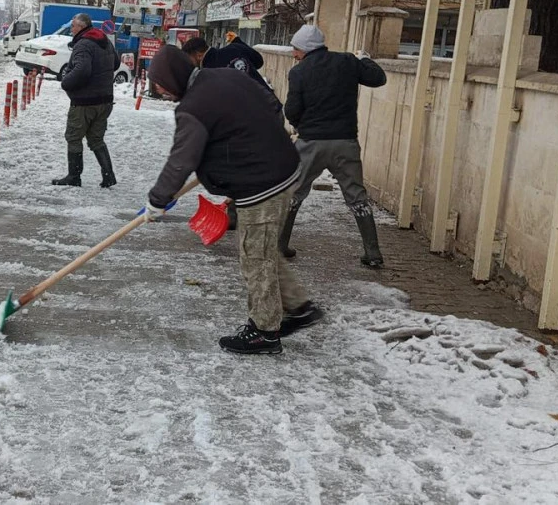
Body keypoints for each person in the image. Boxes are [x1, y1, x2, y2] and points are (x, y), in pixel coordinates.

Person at [144, 45, 322, 354]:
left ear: (172, 77)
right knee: (262, 249)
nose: (158, 89)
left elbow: (180, 161)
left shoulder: (194, 107)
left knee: (255, 258)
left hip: (262, 183)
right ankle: (299, 308)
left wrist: (157, 199)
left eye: (159, 82)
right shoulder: (225, 77)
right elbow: (269, 102)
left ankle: (265, 332)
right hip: (281, 169)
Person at [280, 24, 388, 268]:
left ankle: (280, 244)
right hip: (345, 142)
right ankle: (372, 252)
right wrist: (365, 59)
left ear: (306, 49)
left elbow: (292, 109)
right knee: (357, 196)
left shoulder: (299, 72)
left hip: (311, 144)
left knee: (294, 193)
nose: (293, 54)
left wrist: (300, 126)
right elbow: (378, 78)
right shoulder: (348, 62)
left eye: (295, 49)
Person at [52, 13, 120, 188]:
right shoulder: (104, 40)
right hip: (105, 100)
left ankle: (74, 176)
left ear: (81, 27)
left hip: (85, 102)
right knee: (96, 139)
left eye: (73, 25)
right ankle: (108, 175)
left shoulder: (83, 44)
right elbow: (116, 63)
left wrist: (66, 82)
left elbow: (82, 70)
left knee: (73, 137)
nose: (71, 29)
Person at [181, 36, 279, 112]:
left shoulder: (208, 74)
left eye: (189, 58)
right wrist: (238, 42)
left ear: (198, 55)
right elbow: (259, 61)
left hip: (254, 114)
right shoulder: (234, 48)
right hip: (271, 104)